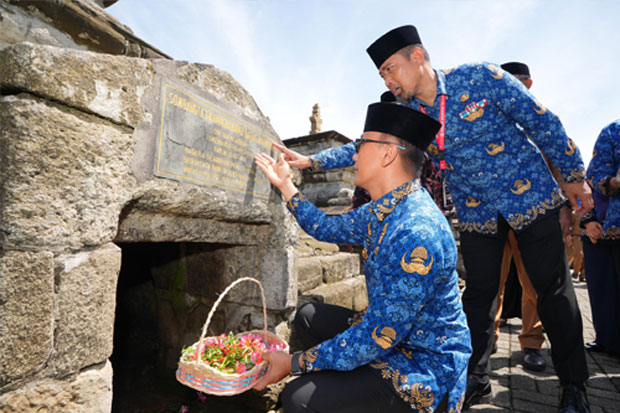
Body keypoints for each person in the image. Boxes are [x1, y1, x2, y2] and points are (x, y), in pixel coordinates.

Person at [271, 25, 593, 412]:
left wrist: (574, 176)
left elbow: (541, 120)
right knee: (479, 295)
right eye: (382, 76)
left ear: (417, 57)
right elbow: (367, 147)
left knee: (552, 290)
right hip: (477, 211)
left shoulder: (480, 77)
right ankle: (474, 378)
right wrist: (311, 161)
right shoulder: (408, 112)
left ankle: (574, 386)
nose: (388, 81)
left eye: (391, 69)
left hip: (527, 194)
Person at [252, 102, 472, 412]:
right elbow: (324, 227)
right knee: (308, 316)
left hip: (424, 362)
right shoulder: (384, 208)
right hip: (391, 335)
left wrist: (293, 364)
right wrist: (285, 184)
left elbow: (378, 337)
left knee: (298, 398)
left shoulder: (416, 231)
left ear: (388, 154)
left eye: (362, 144)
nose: (354, 155)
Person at [582, 120, 620, 355]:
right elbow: (594, 176)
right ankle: (608, 340)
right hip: (606, 227)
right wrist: (588, 219)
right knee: (604, 290)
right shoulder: (613, 131)